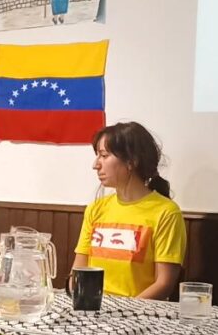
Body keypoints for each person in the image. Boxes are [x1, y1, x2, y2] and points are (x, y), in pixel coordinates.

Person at [72, 122, 186, 299]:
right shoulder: (95, 209)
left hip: (139, 311)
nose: (96, 165)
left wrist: (124, 310)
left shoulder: (166, 213)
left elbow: (163, 283)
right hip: (92, 308)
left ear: (131, 161)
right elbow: (78, 271)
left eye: (104, 156)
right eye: (97, 156)